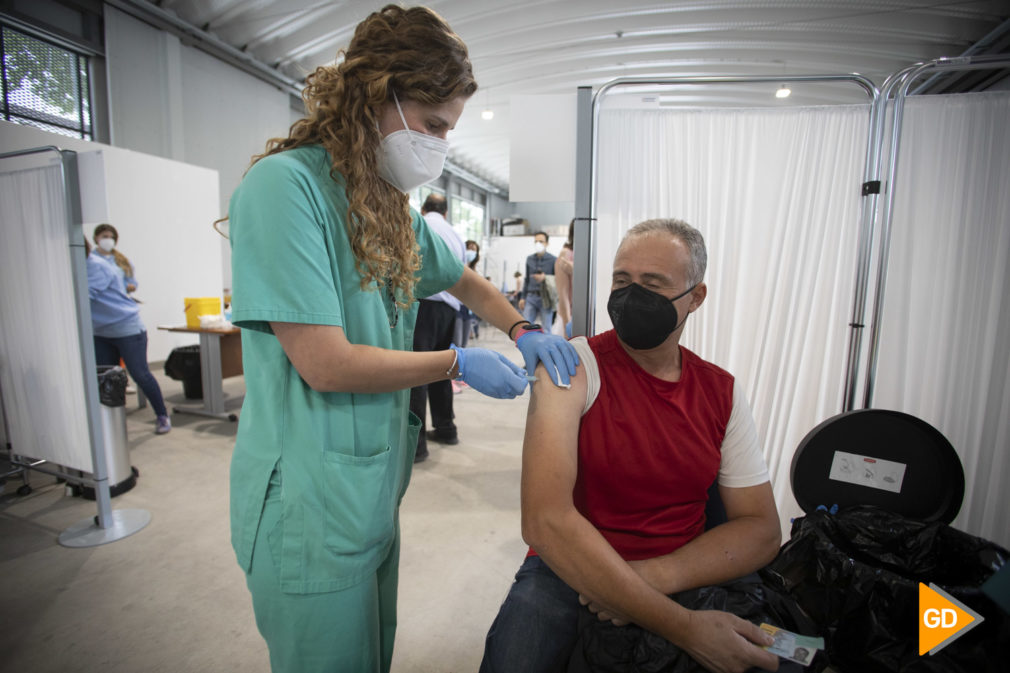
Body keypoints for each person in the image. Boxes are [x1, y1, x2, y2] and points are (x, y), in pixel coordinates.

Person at [225, 6, 578, 672]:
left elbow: (462, 278)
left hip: (369, 497)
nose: (441, 144)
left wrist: (521, 326)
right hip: (308, 507)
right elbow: (325, 364)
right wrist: (455, 361)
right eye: (434, 123)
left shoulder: (383, 203)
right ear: (375, 93)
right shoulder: (287, 189)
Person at [481, 219, 785, 673]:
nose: (630, 295)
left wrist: (649, 580)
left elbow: (761, 529)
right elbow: (545, 521)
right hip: (568, 569)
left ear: (695, 298)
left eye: (652, 283)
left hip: (681, 562)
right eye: (621, 280)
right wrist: (684, 627)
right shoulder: (573, 364)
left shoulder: (720, 391)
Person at [85, 236, 171, 435]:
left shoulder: (97, 266)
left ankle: (162, 415)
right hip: (100, 331)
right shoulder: (83, 265)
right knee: (108, 378)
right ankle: (113, 424)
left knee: (140, 374)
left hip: (126, 328)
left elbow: (84, 294)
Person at [409, 193, 465, 461]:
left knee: (416, 373)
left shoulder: (419, 224)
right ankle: (446, 429)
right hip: (449, 308)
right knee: (444, 368)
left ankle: (416, 445)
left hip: (424, 305)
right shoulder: (455, 234)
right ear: (445, 212)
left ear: (423, 208)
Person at [518, 231, 557, 333]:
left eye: (541, 241)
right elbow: (527, 279)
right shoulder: (529, 259)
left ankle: (545, 349)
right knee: (525, 328)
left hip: (546, 298)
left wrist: (545, 277)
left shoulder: (553, 260)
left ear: (547, 243)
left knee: (547, 329)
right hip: (531, 297)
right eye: (536, 241)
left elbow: (557, 280)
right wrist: (522, 297)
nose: (538, 244)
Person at [93, 223, 138, 294]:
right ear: (96, 238)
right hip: (99, 301)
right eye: (105, 237)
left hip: (119, 301)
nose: (108, 240)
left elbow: (132, 282)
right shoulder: (90, 259)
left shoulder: (122, 260)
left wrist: (130, 286)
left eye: (112, 238)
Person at [454, 239, 481, 347]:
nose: (470, 251)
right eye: (468, 248)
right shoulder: (457, 266)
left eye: (473, 250)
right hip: (457, 307)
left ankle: (460, 364)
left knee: (464, 344)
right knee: (457, 342)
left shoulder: (475, 272)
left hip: (468, 309)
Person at [554, 220, 575, 338]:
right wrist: (568, 327)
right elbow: (563, 295)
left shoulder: (593, 253)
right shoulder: (566, 254)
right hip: (571, 315)